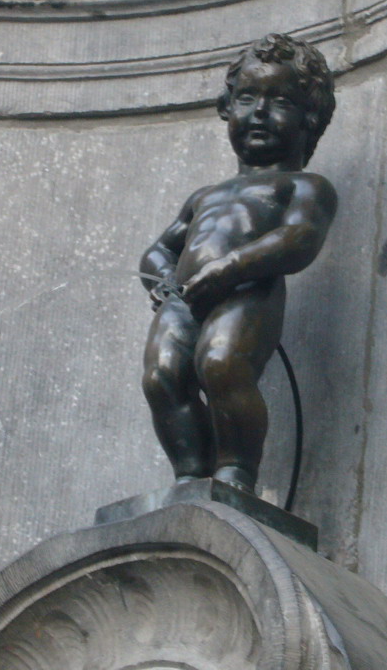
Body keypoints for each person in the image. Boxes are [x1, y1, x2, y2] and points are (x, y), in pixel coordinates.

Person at [139, 33, 337, 494]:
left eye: (281, 101)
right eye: (247, 97)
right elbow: (159, 249)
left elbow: (300, 239)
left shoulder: (305, 186)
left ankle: (235, 473)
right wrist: (163, 279)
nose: (260, 112)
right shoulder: (205, 196)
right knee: (162, 375)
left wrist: (231, 268)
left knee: (222, 365)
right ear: (227, 107)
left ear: (310, 115)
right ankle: (188, 477)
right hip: (184, 300)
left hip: (249, 292)